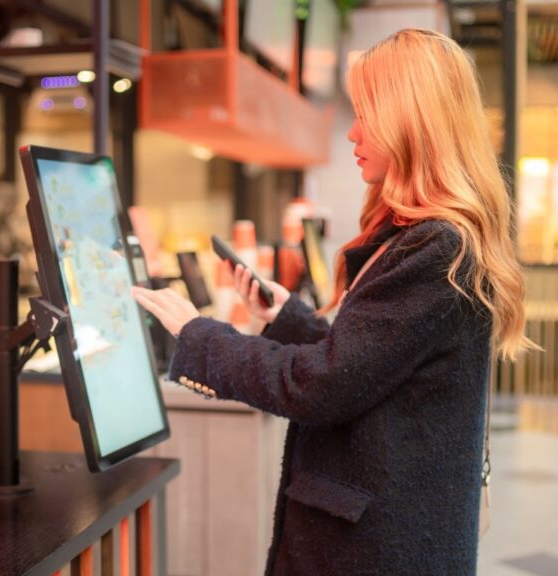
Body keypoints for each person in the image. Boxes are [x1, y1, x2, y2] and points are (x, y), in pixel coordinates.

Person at [131, 28, 532, 576]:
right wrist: (287, 317)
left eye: (366, 114)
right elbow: (372, 367)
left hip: (375, 549)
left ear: (411, 121)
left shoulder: (436, 246)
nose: (351, 132)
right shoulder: (433, 238)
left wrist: (198, 335)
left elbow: (321, 386)